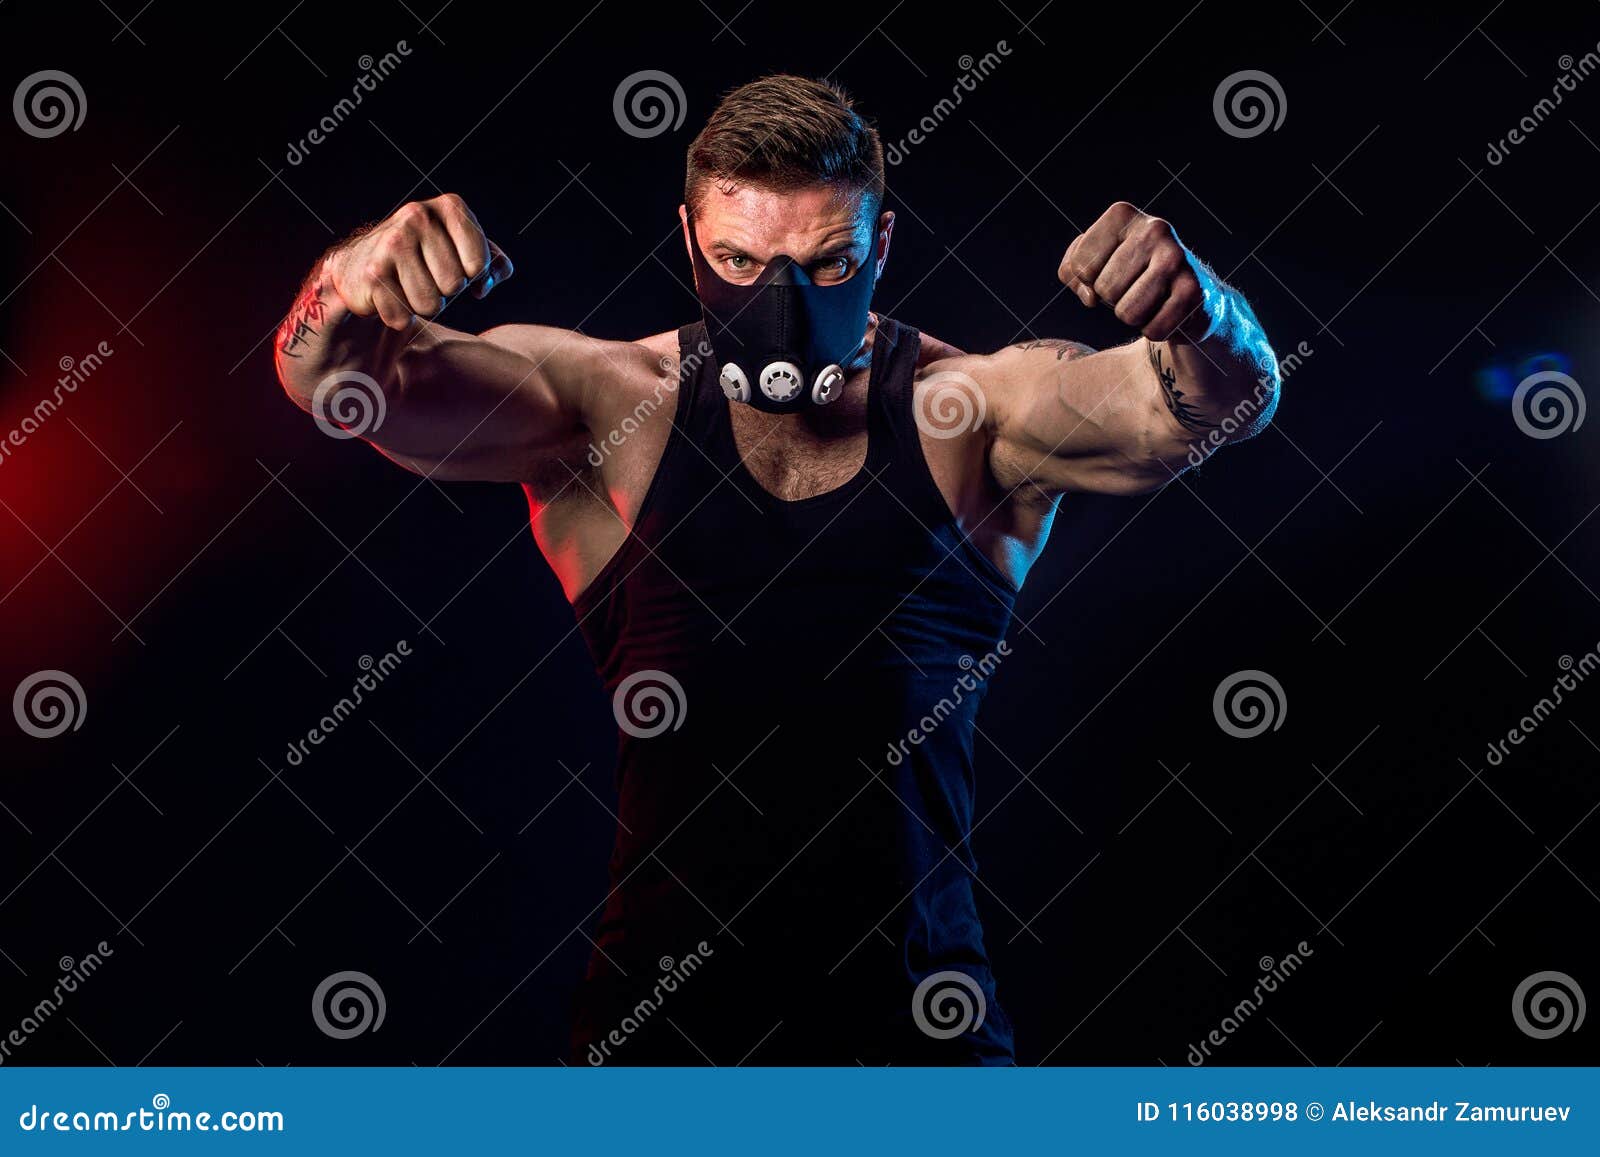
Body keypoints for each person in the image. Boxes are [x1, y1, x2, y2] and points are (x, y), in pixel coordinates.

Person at [273, 74, 1279, 1065]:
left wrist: (1205, 315)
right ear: (688, 241)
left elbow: (1212, 402)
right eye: (739, 260)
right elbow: (336, 383)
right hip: (658, 1049)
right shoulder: (607, 407)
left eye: (829, 264)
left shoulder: (971, 410)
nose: (783, 305)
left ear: (880, 245)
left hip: (920, 1049)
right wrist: (352, 280)